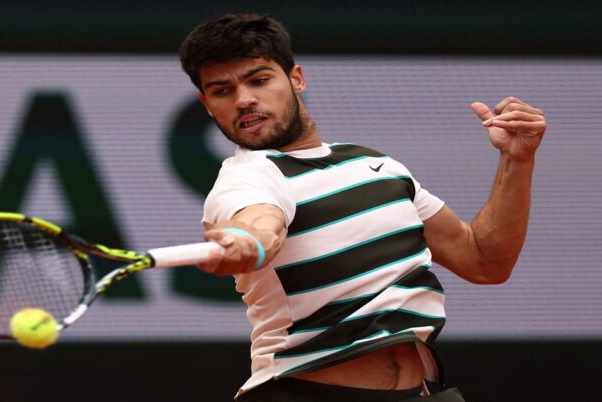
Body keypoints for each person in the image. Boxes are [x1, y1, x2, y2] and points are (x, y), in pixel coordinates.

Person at [179, 13, 546, 402]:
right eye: (222, 91)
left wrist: (517, 160)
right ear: (206, 104)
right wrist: (246, 241)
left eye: (258, 80)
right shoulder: (248, 177)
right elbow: (260, 222)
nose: (244, 100)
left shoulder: (376, 166)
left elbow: (484, 261)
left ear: (296, 78)